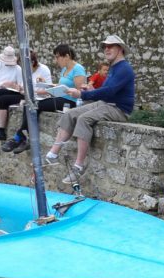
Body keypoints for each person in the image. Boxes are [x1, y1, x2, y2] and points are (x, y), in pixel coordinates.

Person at [44, 35, 135, 184]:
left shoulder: (124, 68)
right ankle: (53, 153)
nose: (106, 49)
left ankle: (79, 166)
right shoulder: (114, 67)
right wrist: (91, 89)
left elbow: (110, 92)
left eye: (110, 46)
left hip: (118, 109)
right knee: (70, 114)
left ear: (120, 48)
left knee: (83, 119)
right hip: (105, 103)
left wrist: (82, 93)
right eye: (105, 46)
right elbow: (106, 90)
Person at [1, 44, 84, 153]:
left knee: (33, 105)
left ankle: (19, 137)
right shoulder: (65, 69)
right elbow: (60, 86)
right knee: (29, 104)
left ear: (67, 56)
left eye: (57, 57)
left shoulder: (78, 69)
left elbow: (80, 91)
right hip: (60, 98)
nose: (56, 60)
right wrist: (46, 84)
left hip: (70, 102)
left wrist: (64, 90)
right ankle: (23, 137)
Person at [0, 50, 53, 142]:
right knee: (0, 97)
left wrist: (30, 90)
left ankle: (19, 136)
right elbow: (22, 86)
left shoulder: (43, 70)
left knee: (13, 101)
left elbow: (48, 90)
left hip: (37, 96)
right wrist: (15, 86)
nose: (22, 67)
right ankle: (0, 130)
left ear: (32, 62)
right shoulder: (25, 70)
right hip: (25, 94)